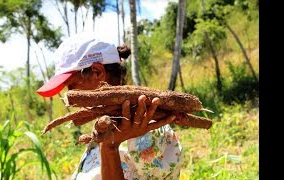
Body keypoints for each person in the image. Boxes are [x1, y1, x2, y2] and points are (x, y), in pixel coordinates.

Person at [36, 32, 183, 180]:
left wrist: (109, 148)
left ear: (97, 72)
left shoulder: (147, 130)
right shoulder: (109, 126)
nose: (70, 96)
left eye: (72, 85)